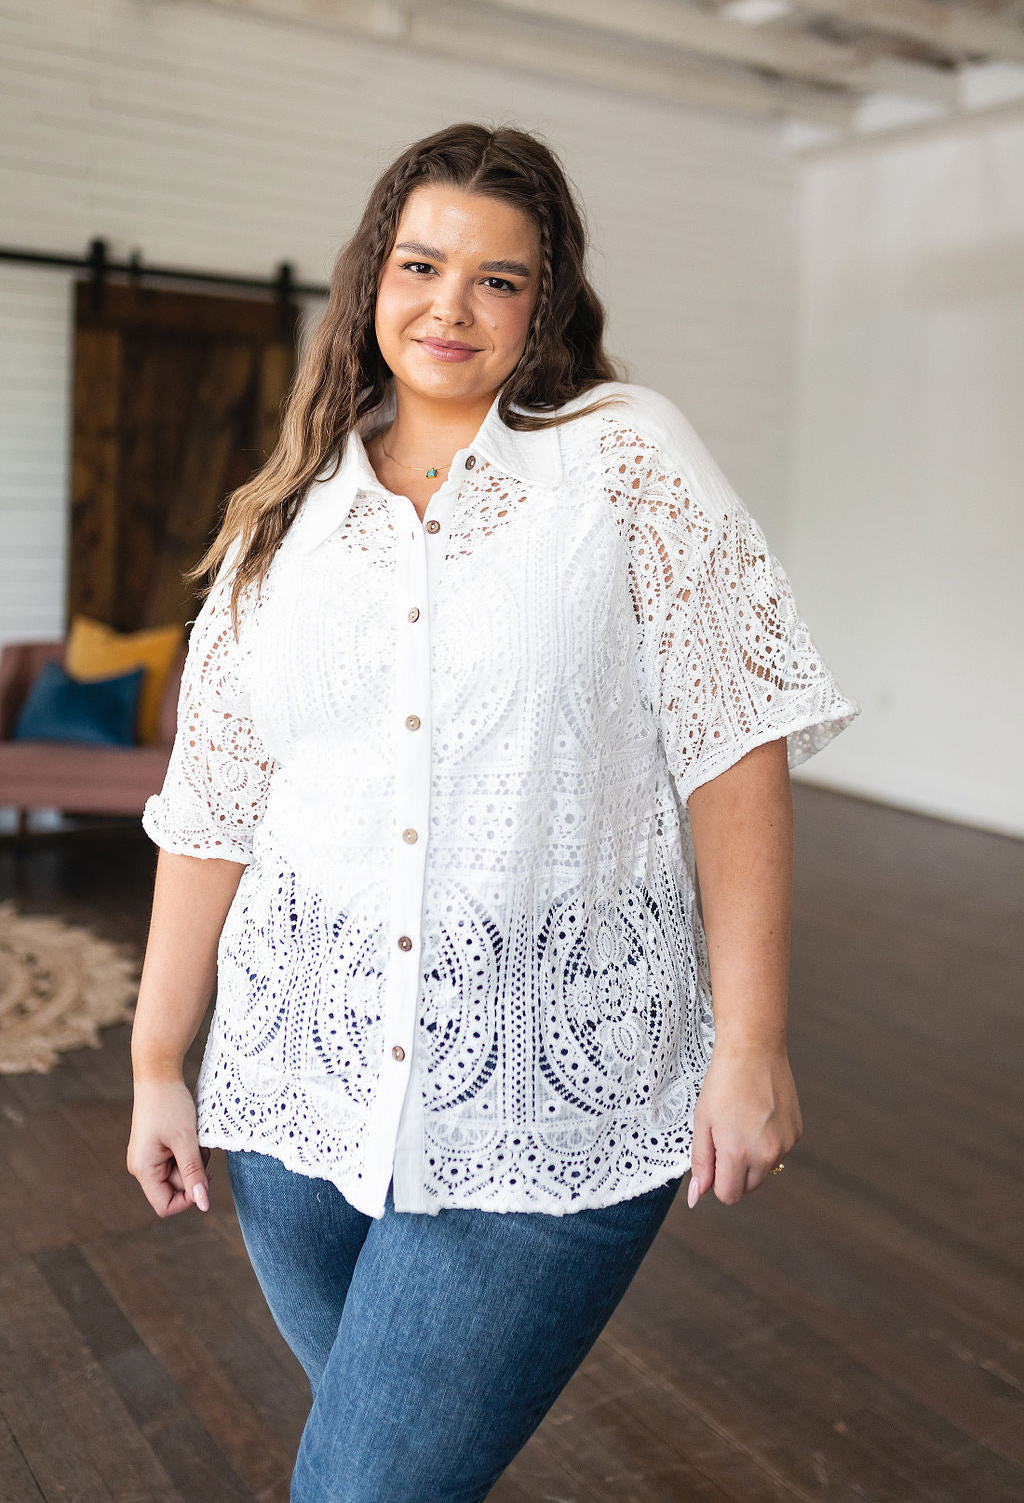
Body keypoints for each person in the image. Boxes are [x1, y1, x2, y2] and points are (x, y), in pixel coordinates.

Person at [127, 121, 859, 1502]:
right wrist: (159, 1057)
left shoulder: (623, 462)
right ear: (372, 278)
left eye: (498, 279)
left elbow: (735, 744)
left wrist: (752, 1042)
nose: (450, 306)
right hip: (295, 1098)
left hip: (552, 1107)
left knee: (363, 1486)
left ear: (545, 302)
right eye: (420, 265)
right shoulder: (286, 522)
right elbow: (215, 809)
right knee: (392, 1472)